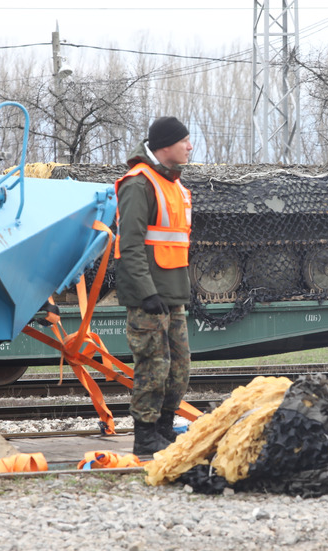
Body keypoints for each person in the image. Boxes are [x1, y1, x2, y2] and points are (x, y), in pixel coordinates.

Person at [114, 116, 195, 455]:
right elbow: (129, 245)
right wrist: (146, 292)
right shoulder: (139, 184)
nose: (190, 146)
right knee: (153, 365)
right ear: (165, 146)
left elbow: (175, 243)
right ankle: (144, 436)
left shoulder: (174, 184)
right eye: (184, 141)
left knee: (179, 367)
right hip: (148, 297)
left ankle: (162, 428)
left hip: (171, 295)